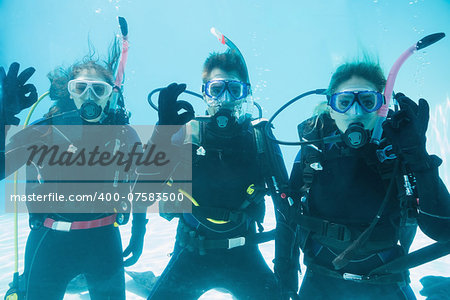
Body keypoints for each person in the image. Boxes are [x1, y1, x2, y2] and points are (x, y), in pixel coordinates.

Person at [283, 60, 450, 299]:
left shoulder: (398, 151)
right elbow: (287, 217)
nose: (356, 111)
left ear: (381, 107)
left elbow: (444, 230)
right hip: (320, 281)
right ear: (331, 108)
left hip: (387, 281)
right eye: (344, 102)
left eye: (367, 101)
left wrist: (419, 158)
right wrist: (285, 279)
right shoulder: (313, 152)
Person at [140, 50, 288, 299]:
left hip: (245, 253)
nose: (225, 99)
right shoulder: (185, 133)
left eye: (235, 90)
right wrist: (162, 133)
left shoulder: (259, 137)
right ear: (204, 93)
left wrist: (287, 269)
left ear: (246, 93)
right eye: (216, 89)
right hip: (190, 251)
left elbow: (286, 208)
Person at [3, 54, 147, 299]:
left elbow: (142, 183)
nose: (89, 97)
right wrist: (3, 116)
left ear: (110, 95)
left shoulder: (124, 135)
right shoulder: (45, 130)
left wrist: (139, 231)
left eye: (98, 90)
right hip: (49, 241)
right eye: (80, 88)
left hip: (104, 242)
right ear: (70, 92)